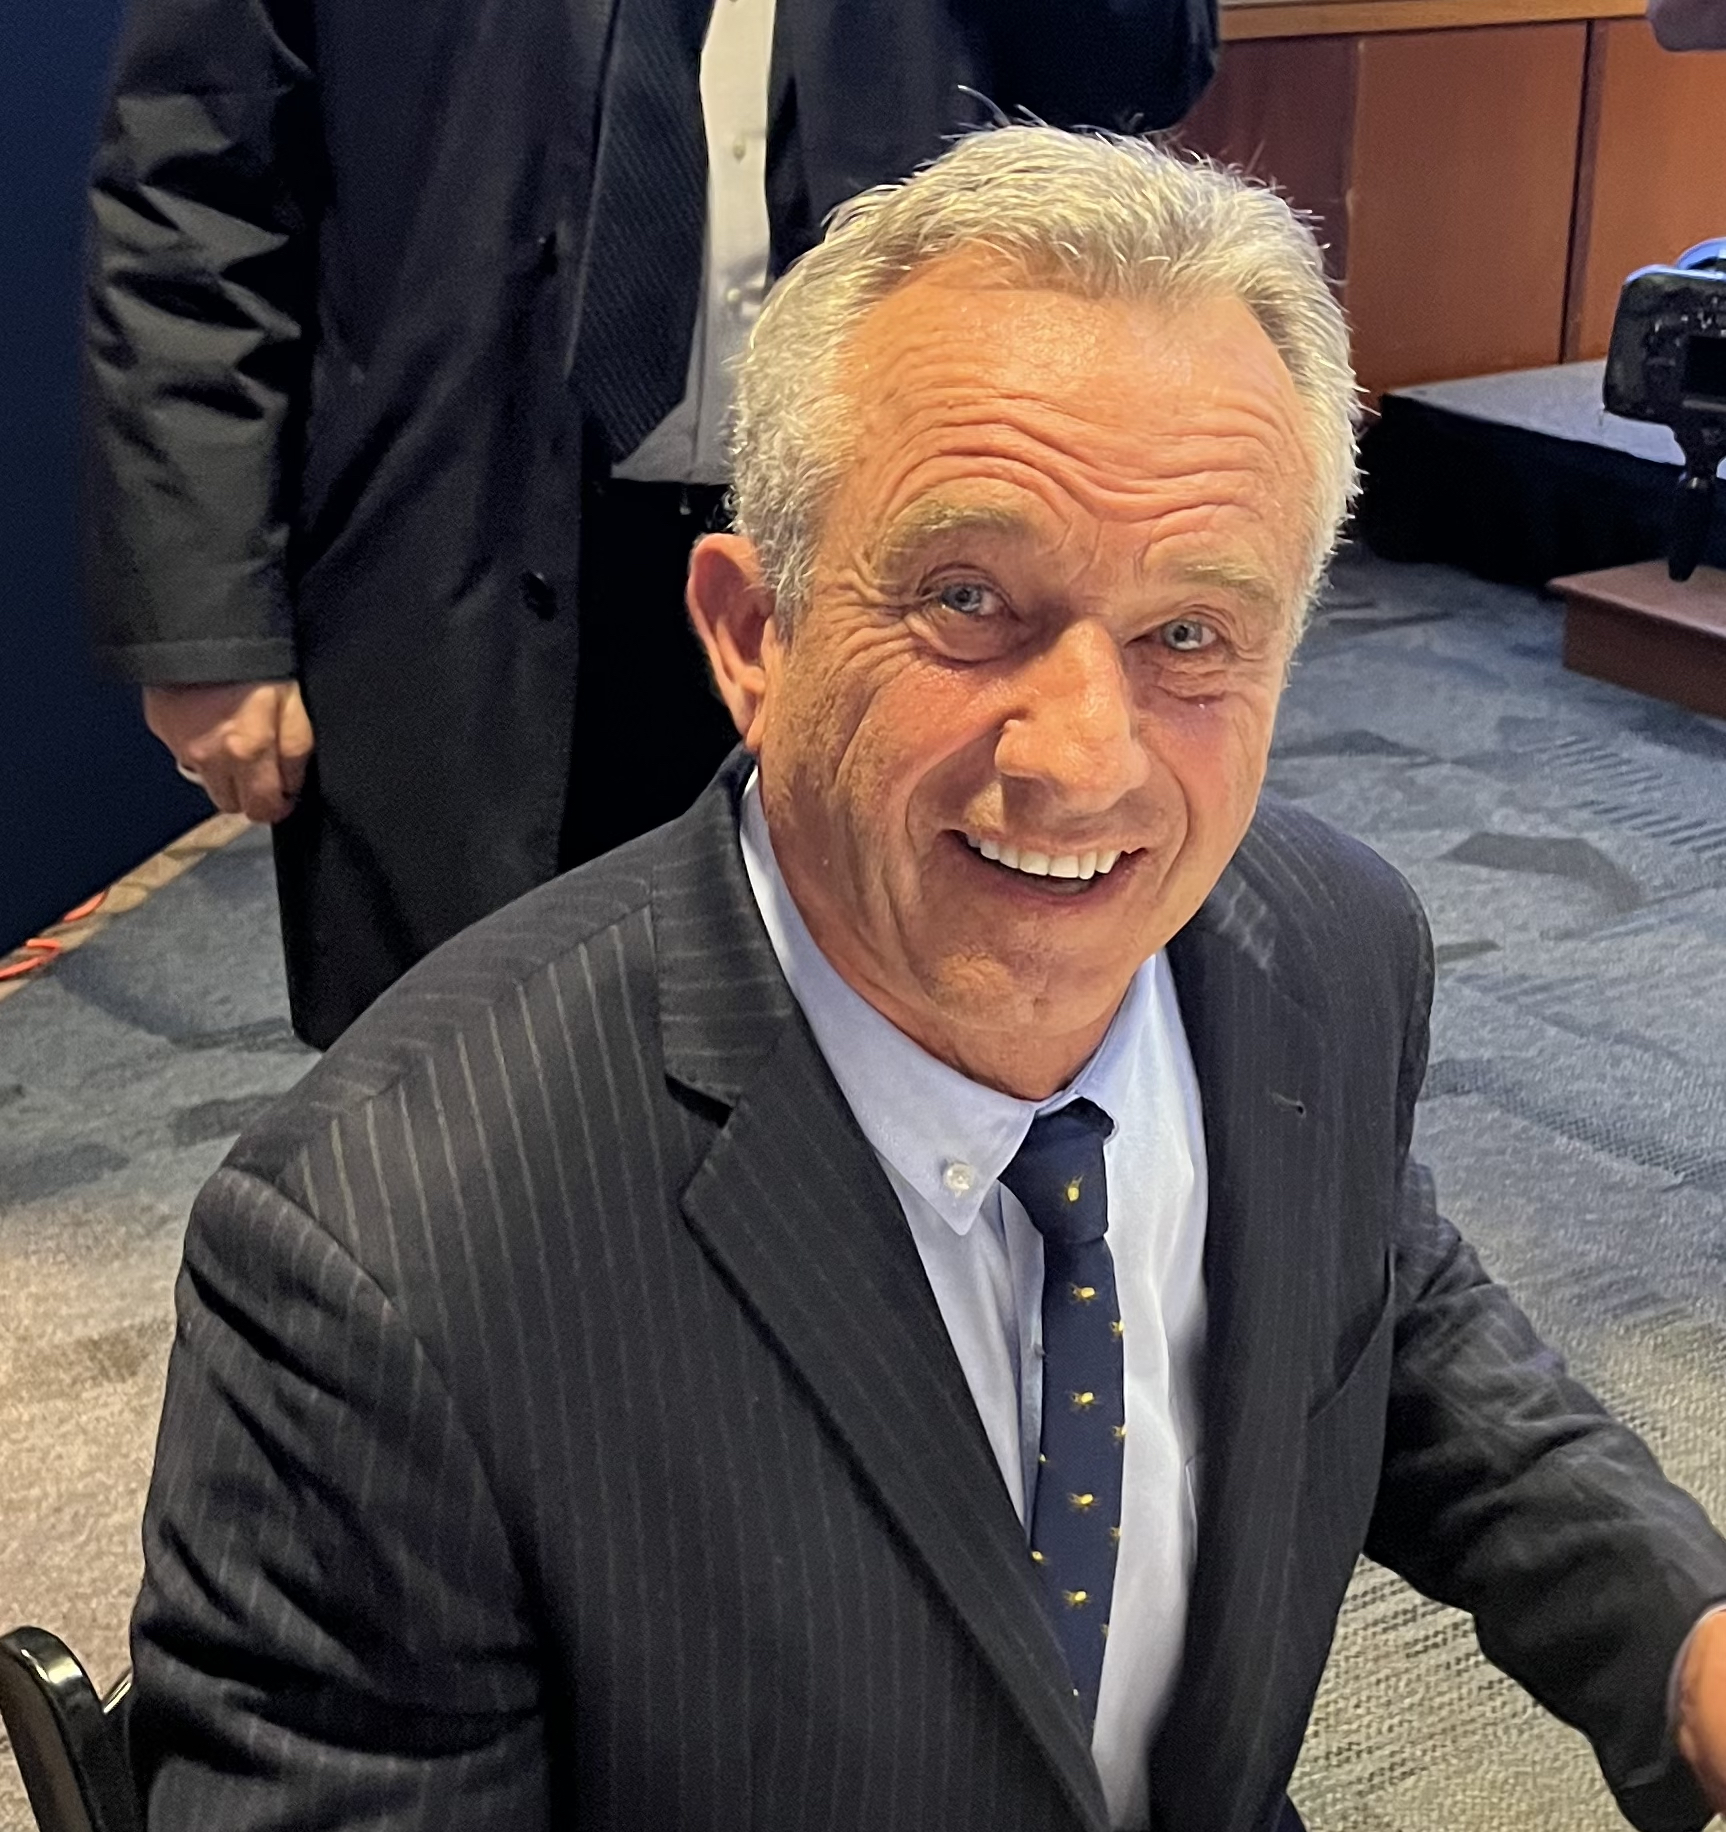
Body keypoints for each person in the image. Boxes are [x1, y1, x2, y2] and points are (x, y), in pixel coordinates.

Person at [131, 128, 1726, 1832]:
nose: (1082, 759)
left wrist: (1687, 1634)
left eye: (1191, 633)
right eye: (970, 601)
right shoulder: (381, 1247)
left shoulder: (1326, 948)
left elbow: (1393, 1322)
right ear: (751, 634)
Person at [83, 0, 1219, 1051]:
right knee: (461, 1080)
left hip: (867, 573)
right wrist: (205, 619)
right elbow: (194, 189)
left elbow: (1136, 72)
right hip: (453, 558)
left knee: (863, 1057)